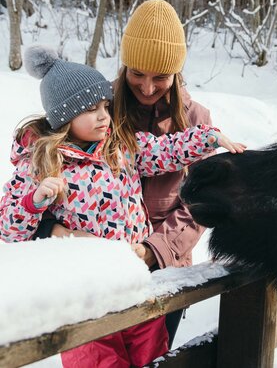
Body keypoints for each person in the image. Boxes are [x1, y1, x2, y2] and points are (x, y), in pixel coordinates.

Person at [0, 45, 246, 367]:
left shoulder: (120, 145)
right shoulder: (42, 162)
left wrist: (208, 138)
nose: (104, 115)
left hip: (134, 283)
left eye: (105, 105)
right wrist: (34, 203)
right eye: (91, 109)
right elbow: (8, 227)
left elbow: (166, 150)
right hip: (84, 298)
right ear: (64, 116)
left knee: (152, 358)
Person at [38, 0, 220, 348]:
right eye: (137, 73)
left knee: (151, 355)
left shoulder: (197, 120)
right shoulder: (96, 103)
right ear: (124, 65)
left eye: (161, 77)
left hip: (164, 270)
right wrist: (54, 229)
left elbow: (201, 203)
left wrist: (154, 249)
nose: (148, 88)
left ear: (177, 71)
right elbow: (56, 162)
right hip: (96, 266)